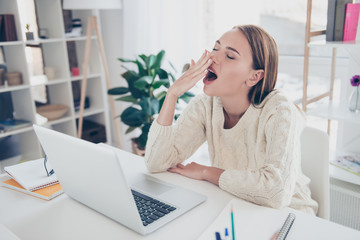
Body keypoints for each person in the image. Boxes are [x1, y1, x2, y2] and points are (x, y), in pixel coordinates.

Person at [144, 24, 318, 215]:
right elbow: (156, 162)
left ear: (254, 77)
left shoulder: (279, 110)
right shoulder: (206, 105)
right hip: (239, 206)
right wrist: (172, 95)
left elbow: (276, 193)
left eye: (230, 56)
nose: (212, 58)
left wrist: (206, 172)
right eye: (215, 48)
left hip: (290, 214)